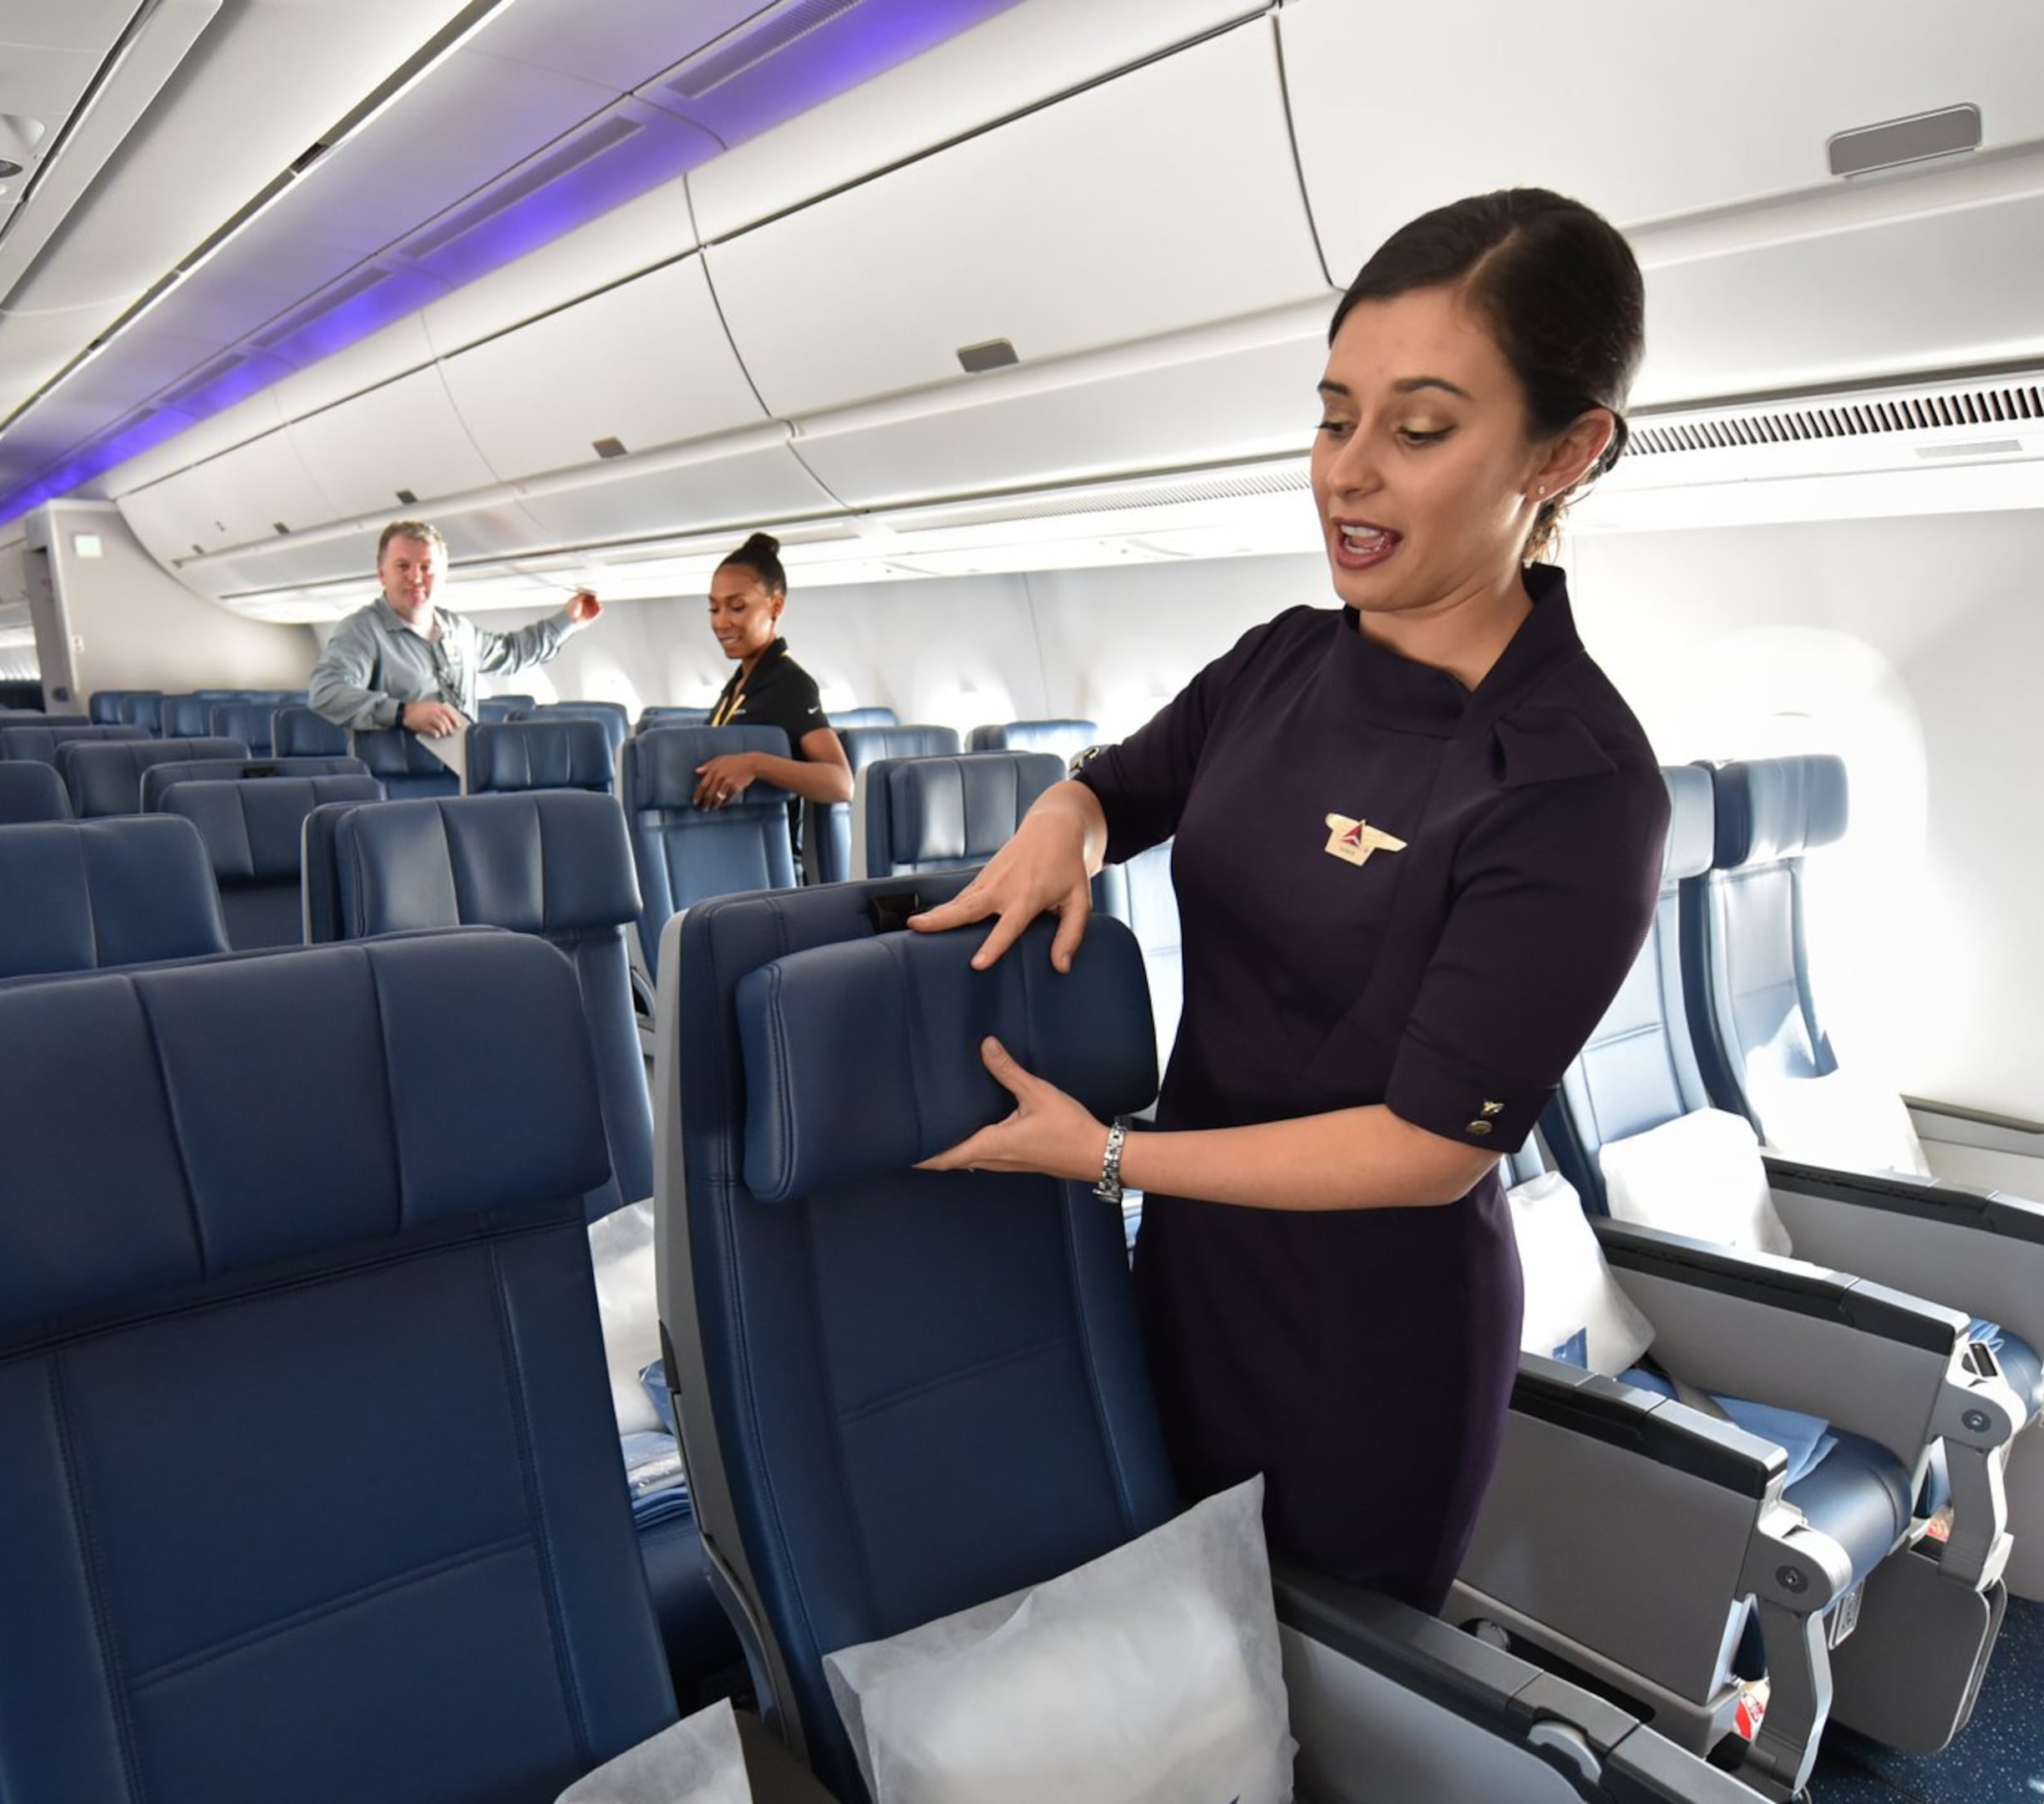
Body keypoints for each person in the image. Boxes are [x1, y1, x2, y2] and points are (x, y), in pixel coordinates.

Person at [907, 189, 1670, 1612]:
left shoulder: (1572, 781)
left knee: (1306, 1709)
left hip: (1363, 1349)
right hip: (1189, 1274)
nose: (1349, 474)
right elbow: (1126, 781)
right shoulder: (1283, 661)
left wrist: (1111, 1162)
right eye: (1334, 417)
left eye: (1421, 429)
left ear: (1565, 454)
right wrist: (1063, 819)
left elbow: (1429, 1151)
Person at [309, 520, 600, 736]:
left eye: (426, 567)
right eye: (403, 566)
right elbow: (327, 691)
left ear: (442, 574)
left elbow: (511, 653)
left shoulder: (458, 630)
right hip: (392, 790)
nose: (416, 577)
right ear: (381, 574)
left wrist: (568, 621)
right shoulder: (362, 631)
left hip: (463, 780)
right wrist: (402, 712)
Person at [687, 534, 853, 811]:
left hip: (769, 850)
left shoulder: (789, 684)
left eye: (737, 606)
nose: (720, 621)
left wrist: (755, 765)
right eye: (714, 608)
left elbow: (841, 782)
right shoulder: (741, 683)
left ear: (776, 606)